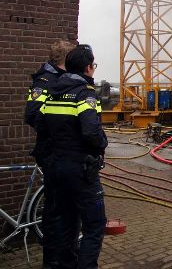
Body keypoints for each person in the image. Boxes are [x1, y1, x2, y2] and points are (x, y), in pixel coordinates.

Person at [37, 44, 108, 269]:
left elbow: (42, 125)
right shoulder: (85, 94)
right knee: (94, 226)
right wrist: (103, 142)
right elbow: (91, 132)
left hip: (57, 166)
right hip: (81, 169)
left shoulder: (52, 90)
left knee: (66, 223)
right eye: (93, 65)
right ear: (88, 68)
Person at [25, 39, 74, 269]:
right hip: (52, 153)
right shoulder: (45, 81)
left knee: (64, 210)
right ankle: (53, 261)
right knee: (55, 212)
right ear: (66, 59)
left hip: (60, 152)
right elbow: (32, 114)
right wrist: (58, 130)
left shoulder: (59, 79)